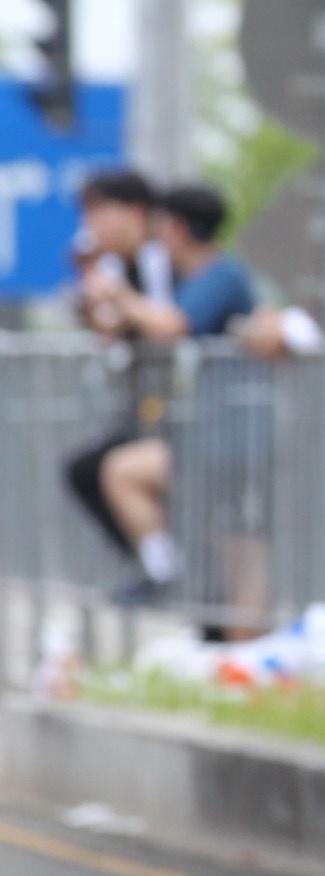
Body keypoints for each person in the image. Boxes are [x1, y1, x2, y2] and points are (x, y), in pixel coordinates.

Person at [62, 182, 257, 599]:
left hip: (223, 430)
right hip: (196, 424)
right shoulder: (167, 271)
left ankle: (166, 574)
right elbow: (119, 328)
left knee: (125, 475)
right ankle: (164, 572)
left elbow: (171, 325)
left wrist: (117, 294)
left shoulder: (215, 274)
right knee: (99, 472)